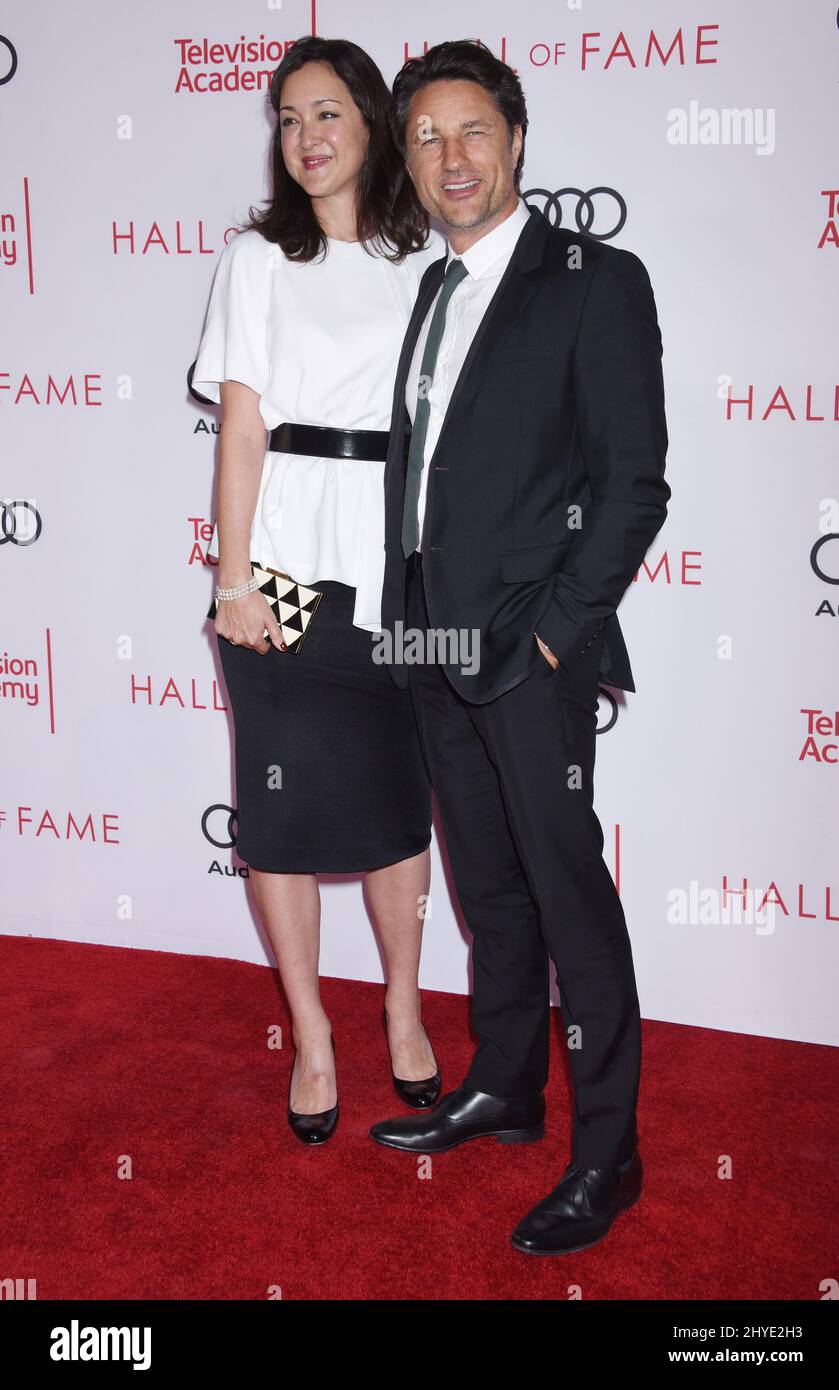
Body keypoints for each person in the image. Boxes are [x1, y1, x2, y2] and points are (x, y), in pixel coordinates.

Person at [369, 41, 670, 1256]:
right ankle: (505, 1085)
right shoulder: (430, 289)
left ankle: (609, 1151)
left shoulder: (595, 279)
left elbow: (633, 482)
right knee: (489, 892)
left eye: (472, 131)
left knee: (568, 899)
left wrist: (555, 634)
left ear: (518, 139)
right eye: (428, 138)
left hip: (531, 650)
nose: (451, 157)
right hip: (433, 636)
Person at [192, 36, 447, 1146]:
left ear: (372, 123)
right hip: (285, 573)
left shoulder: (424, 255)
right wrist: (233, 575)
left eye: (329, 112)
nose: (307, 137)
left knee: (398, 807)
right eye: (289, 118)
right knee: (281, 817)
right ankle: (309, 1030)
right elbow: (242, 427)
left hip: (399, 570)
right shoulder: (257, 258)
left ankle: (400, 1003)